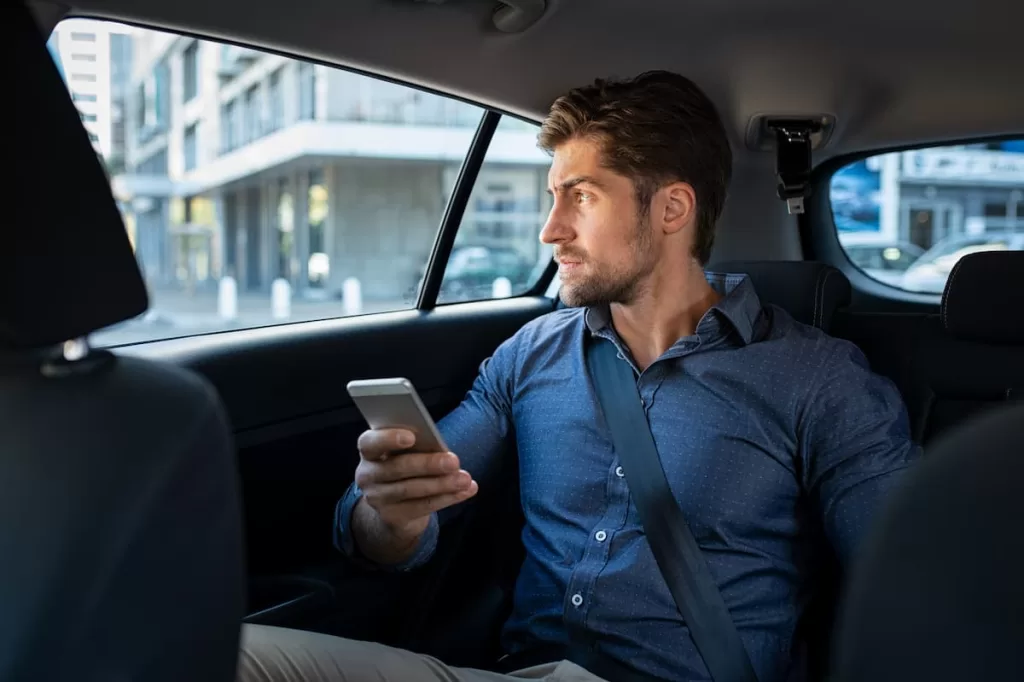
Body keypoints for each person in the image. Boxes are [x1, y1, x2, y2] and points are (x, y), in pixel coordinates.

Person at [237, 71, 920, 682]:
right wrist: (389, 513)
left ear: (672, 210)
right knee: (222, 651)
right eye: (550, 198)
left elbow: (916, 580)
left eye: (580, 197)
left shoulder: (816, 379)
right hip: (512, 673)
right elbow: (394, 535)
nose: (550, 229)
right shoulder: (530, 353)